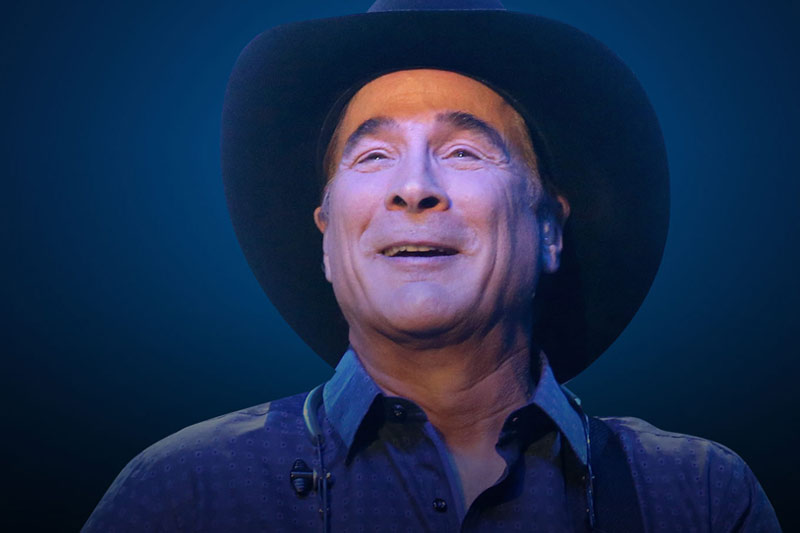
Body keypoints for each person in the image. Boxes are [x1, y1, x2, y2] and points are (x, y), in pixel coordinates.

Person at [84, 0, 781, 531]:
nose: (414, 187)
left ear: (549, 229)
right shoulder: (183, 494)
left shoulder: (696, 497)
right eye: (373, 155)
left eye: (463, 152)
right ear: (327, 239)